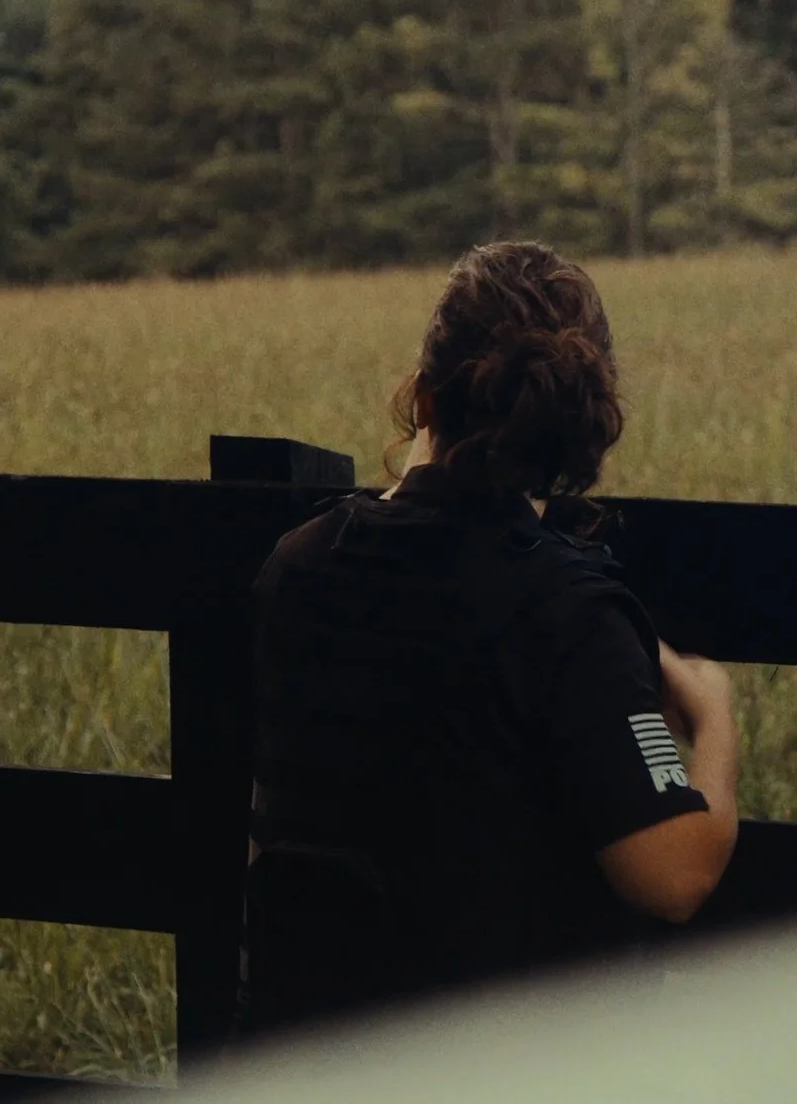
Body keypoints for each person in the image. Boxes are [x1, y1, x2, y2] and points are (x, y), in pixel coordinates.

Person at [241, 241, 739, 1032]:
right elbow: (673, 875)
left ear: (423, 396)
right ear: (581, 418)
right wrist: (712, 717)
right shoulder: (565, 609)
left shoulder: (298, 564)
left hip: (305, 1049)